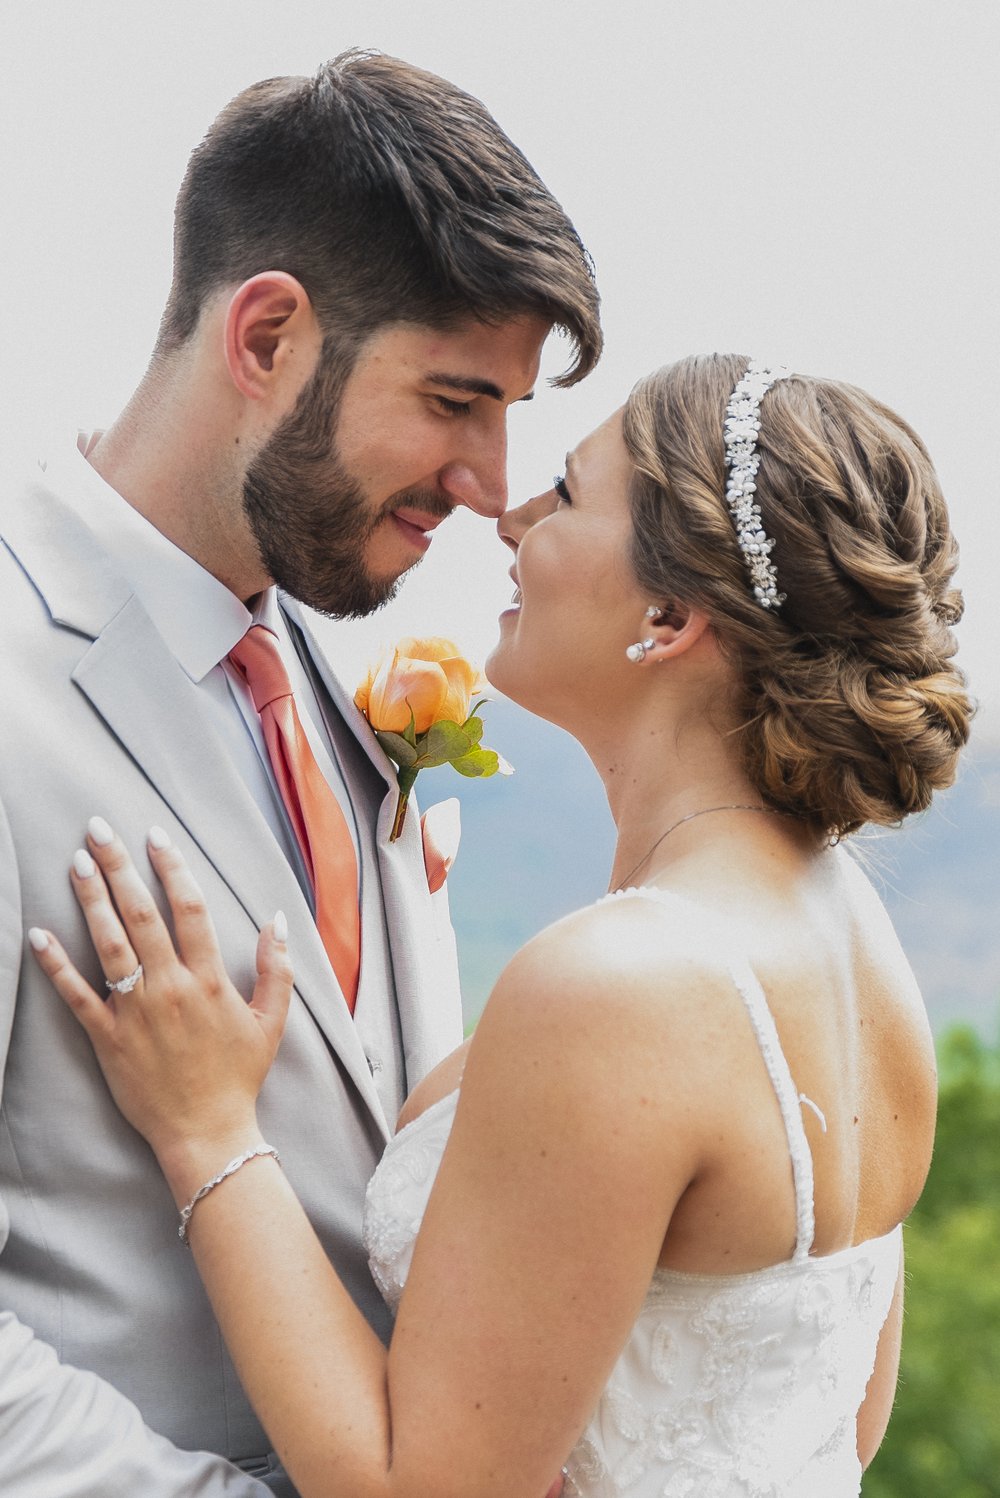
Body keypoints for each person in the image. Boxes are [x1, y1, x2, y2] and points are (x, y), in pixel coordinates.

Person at [32, 353, 973, 1496]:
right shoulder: (853, 934)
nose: (509, 512)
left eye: (567, 496)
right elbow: (834, 1421)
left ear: (669, 616)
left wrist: (209, 1131)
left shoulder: (623, 983)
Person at [0, 49, 601, 1497]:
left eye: (509, 414)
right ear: (266, 334)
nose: (488, 480)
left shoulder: (340, 676)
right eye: (455, 399)